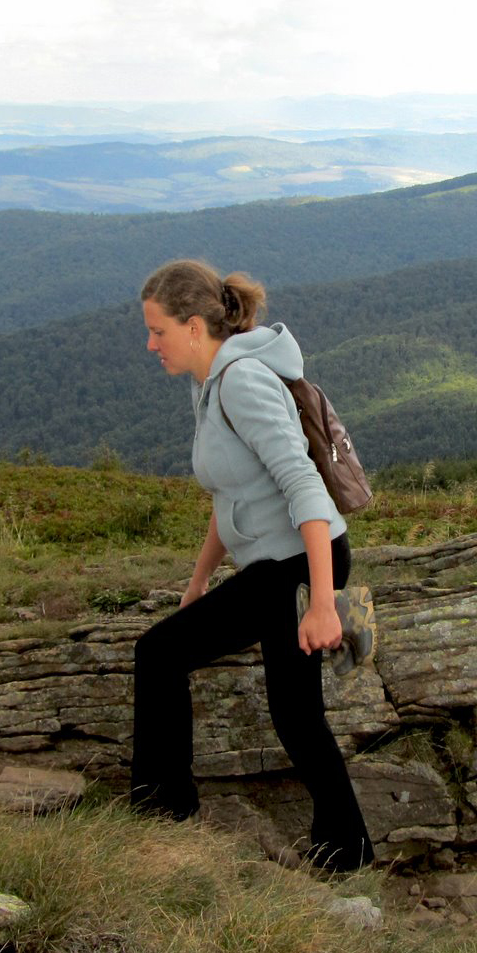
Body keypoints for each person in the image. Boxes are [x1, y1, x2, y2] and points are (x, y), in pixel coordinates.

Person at [131, 259, 375, 872]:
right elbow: (231, 495)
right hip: (279, 564)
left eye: (158, 331)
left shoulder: (241, 382)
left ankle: (162, 814)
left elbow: (304, 485)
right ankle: (347, 851)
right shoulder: (207, 383)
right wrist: (198, 584)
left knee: (159, 655)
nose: (151, 344)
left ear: (193, 327)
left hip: (298, 563)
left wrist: (323, 604)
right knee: (296, 715)